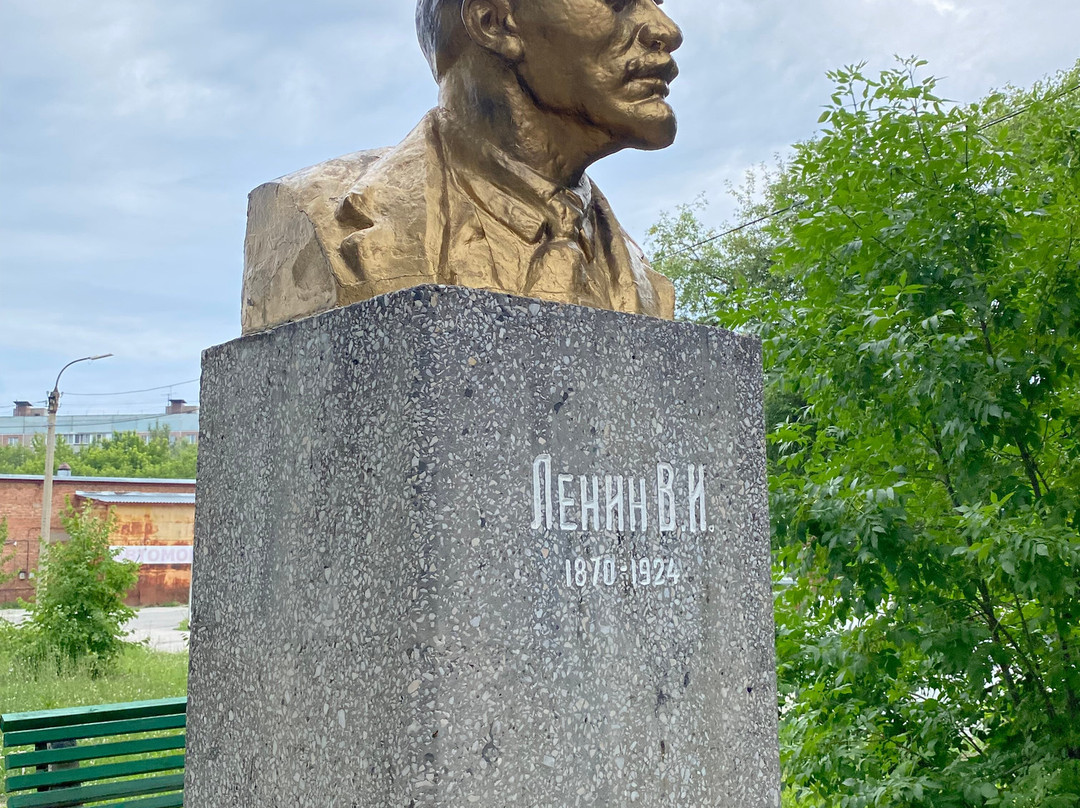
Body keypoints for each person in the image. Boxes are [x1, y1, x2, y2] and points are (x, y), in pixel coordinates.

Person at [241, 0, 683, 334]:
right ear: (494, 21)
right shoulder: (307, 213)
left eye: (657, 3)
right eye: (618, 1)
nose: (667, 30)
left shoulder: (644, 279)